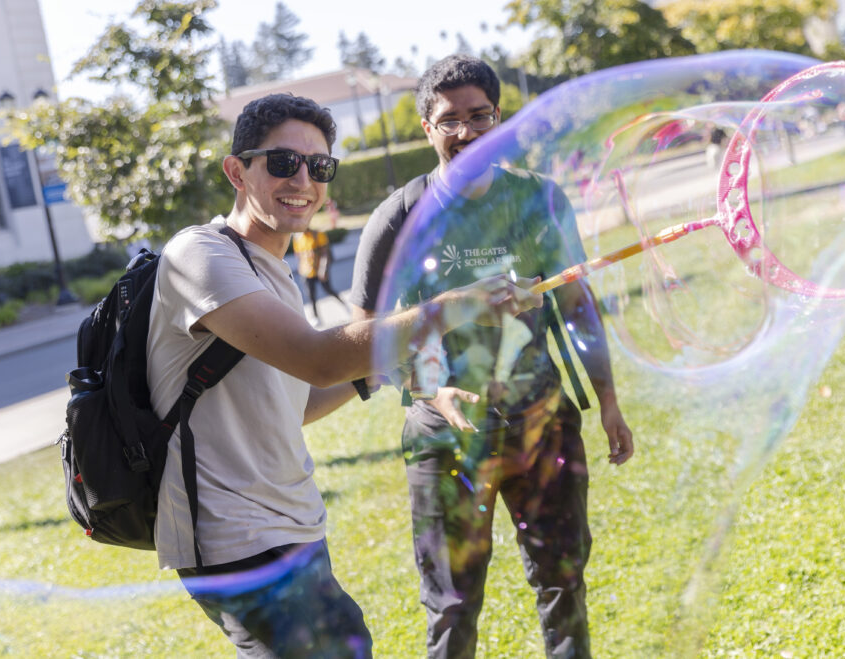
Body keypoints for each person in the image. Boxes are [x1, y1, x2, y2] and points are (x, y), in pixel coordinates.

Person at [146, 92, 541, 658]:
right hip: (233, 535)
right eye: (283, 162)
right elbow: (320, 357)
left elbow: (299, 401)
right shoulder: (199, 255)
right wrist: (455, 305)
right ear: (237, 170)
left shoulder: (272, 270)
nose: (302, 179)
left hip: (291, 522)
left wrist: (401, 375)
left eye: (319, 166)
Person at [350, 55, 634, 658]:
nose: (467, 132)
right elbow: (364, 333)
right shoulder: (398, 217)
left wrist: (608, 401)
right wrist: (428, 391)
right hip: (444, 440)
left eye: (480, 116)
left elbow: (579, 303)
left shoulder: (539, 200)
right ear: (426, 127)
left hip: (543, 424)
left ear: (498, 120)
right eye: (449, 120)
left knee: (564, 584)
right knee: (452, 606)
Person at [293, 226, 347, 324]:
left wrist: (323, 269)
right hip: (306, 272)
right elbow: (299, 254)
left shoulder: (317, 235)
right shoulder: (297, 238)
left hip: (319, 270)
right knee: (311, 295)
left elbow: (325, 253)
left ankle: (344, 305)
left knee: (328, 290)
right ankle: (316, 317)